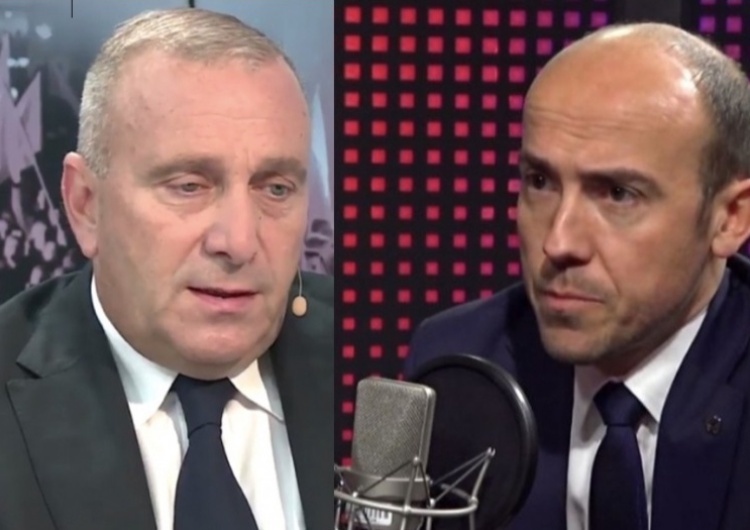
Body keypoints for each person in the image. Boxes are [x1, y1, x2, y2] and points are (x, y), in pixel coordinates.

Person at [406, 22, 750, 530]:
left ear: (730, 218)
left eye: (618, 194)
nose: (559, 242)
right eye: (540, 182)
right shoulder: (460, 364)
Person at [0, 8, 332, 530]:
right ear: (85, 205)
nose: (238, 243)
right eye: (189, 186)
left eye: (275, 188)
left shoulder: (384, 362)